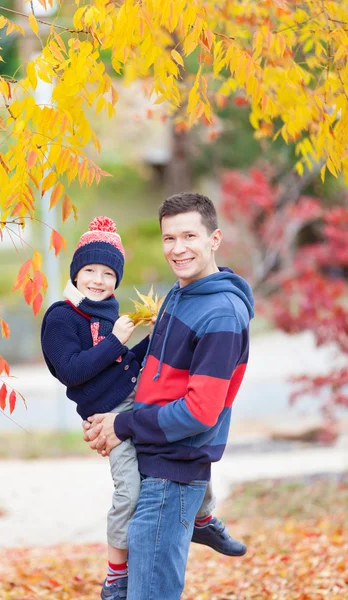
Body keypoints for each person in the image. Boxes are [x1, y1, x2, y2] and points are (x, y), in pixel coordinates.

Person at [83, 193, 255, 600]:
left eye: (189, 236)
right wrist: (107, 418)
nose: (177, 249)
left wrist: (122, 424)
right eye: (168, 238)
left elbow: (200, 412)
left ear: (215, 239)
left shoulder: (221, 314)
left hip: (172, 476)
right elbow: (154, 379)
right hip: (152, 463)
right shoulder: (182, 293)